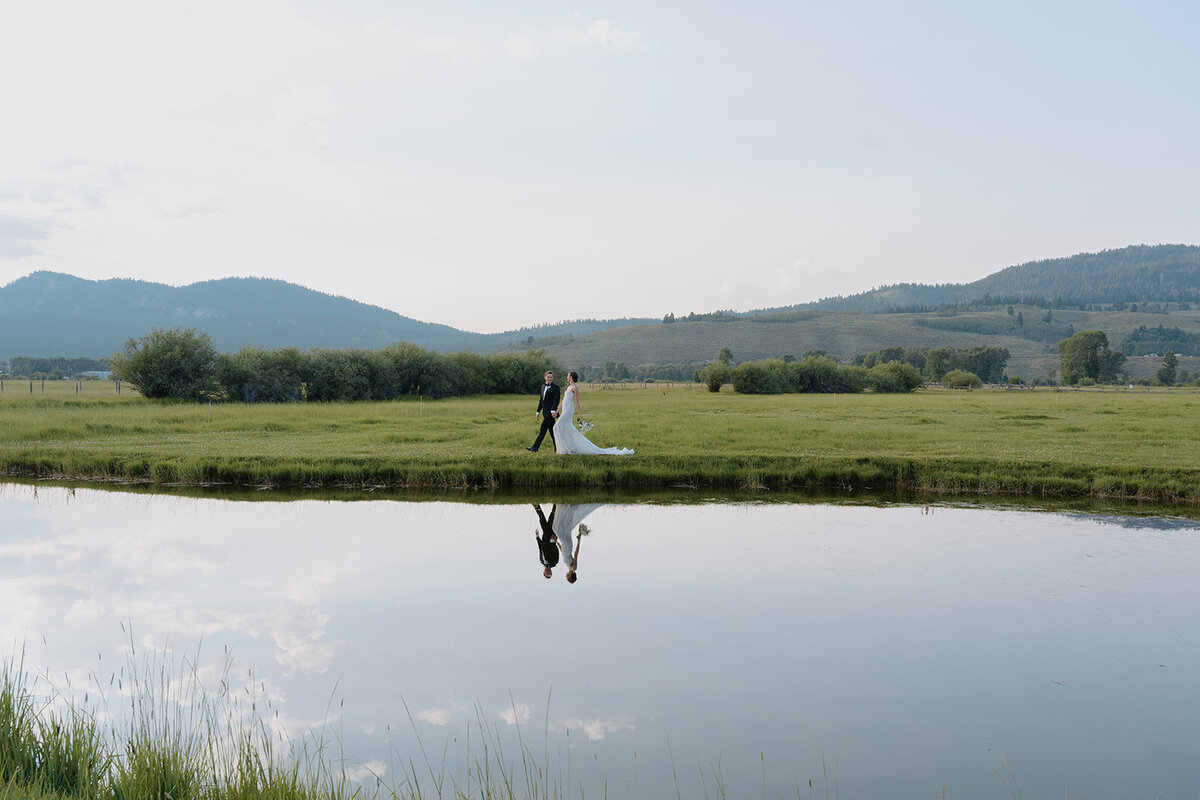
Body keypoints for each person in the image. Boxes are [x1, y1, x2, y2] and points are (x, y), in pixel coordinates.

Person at [554, 371, 634, 455]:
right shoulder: (569, 387)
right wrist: (557, 411)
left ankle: (566, 449)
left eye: (568, 375)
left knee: (556, 427)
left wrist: (580, 415)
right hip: (564, 409)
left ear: (571, 377)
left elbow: (577, 402)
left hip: (568, 410)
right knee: (565, 429)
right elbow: (563, 400)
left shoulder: (574, 387)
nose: (567, 377)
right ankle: (567, 449)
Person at [527, 370, 561, 452]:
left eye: (551, 377)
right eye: (548, 377)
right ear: (545, 377)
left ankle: (535, 448)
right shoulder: (542, 386)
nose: (549, 378)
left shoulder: (555, 387)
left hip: (551, 413)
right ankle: (558, 448)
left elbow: (556, 400)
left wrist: (553, 410)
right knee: (552, 432)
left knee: (542, 430)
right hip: (545, 412)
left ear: (553, 378)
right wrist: (538, 411)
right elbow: (541, 401)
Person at [533, 503, 559, 579]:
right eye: (550, 573)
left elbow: (540, 548)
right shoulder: (554, 563)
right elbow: (556, 552)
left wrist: (537, 537)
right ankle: (537, 505)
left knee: (545, 519)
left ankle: (537, 505)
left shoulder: (541, 560)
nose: (549, 572)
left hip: (545, 536)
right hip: (551, 537)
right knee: (547, 519)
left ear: (544, 572)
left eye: (547, 573)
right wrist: (553, 542)